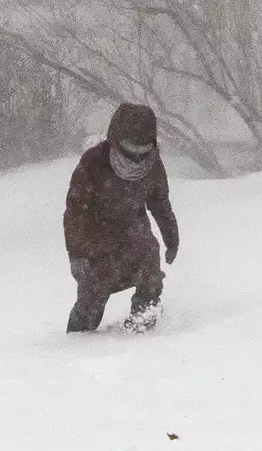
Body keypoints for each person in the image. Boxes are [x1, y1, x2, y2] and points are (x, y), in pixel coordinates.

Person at [63, 103, 179, 333]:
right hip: (94, 240)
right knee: (92, 299)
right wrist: (77, 254)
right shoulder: (93, 162)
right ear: (115, 141)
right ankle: (77, 344)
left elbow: (159, 202)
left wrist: (171, 237)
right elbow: (75, 212)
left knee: (150, 277)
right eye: (129, 149)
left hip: (135, 233)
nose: (136, 159)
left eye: (143, 151)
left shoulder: (153, 163)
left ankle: (142, 328)